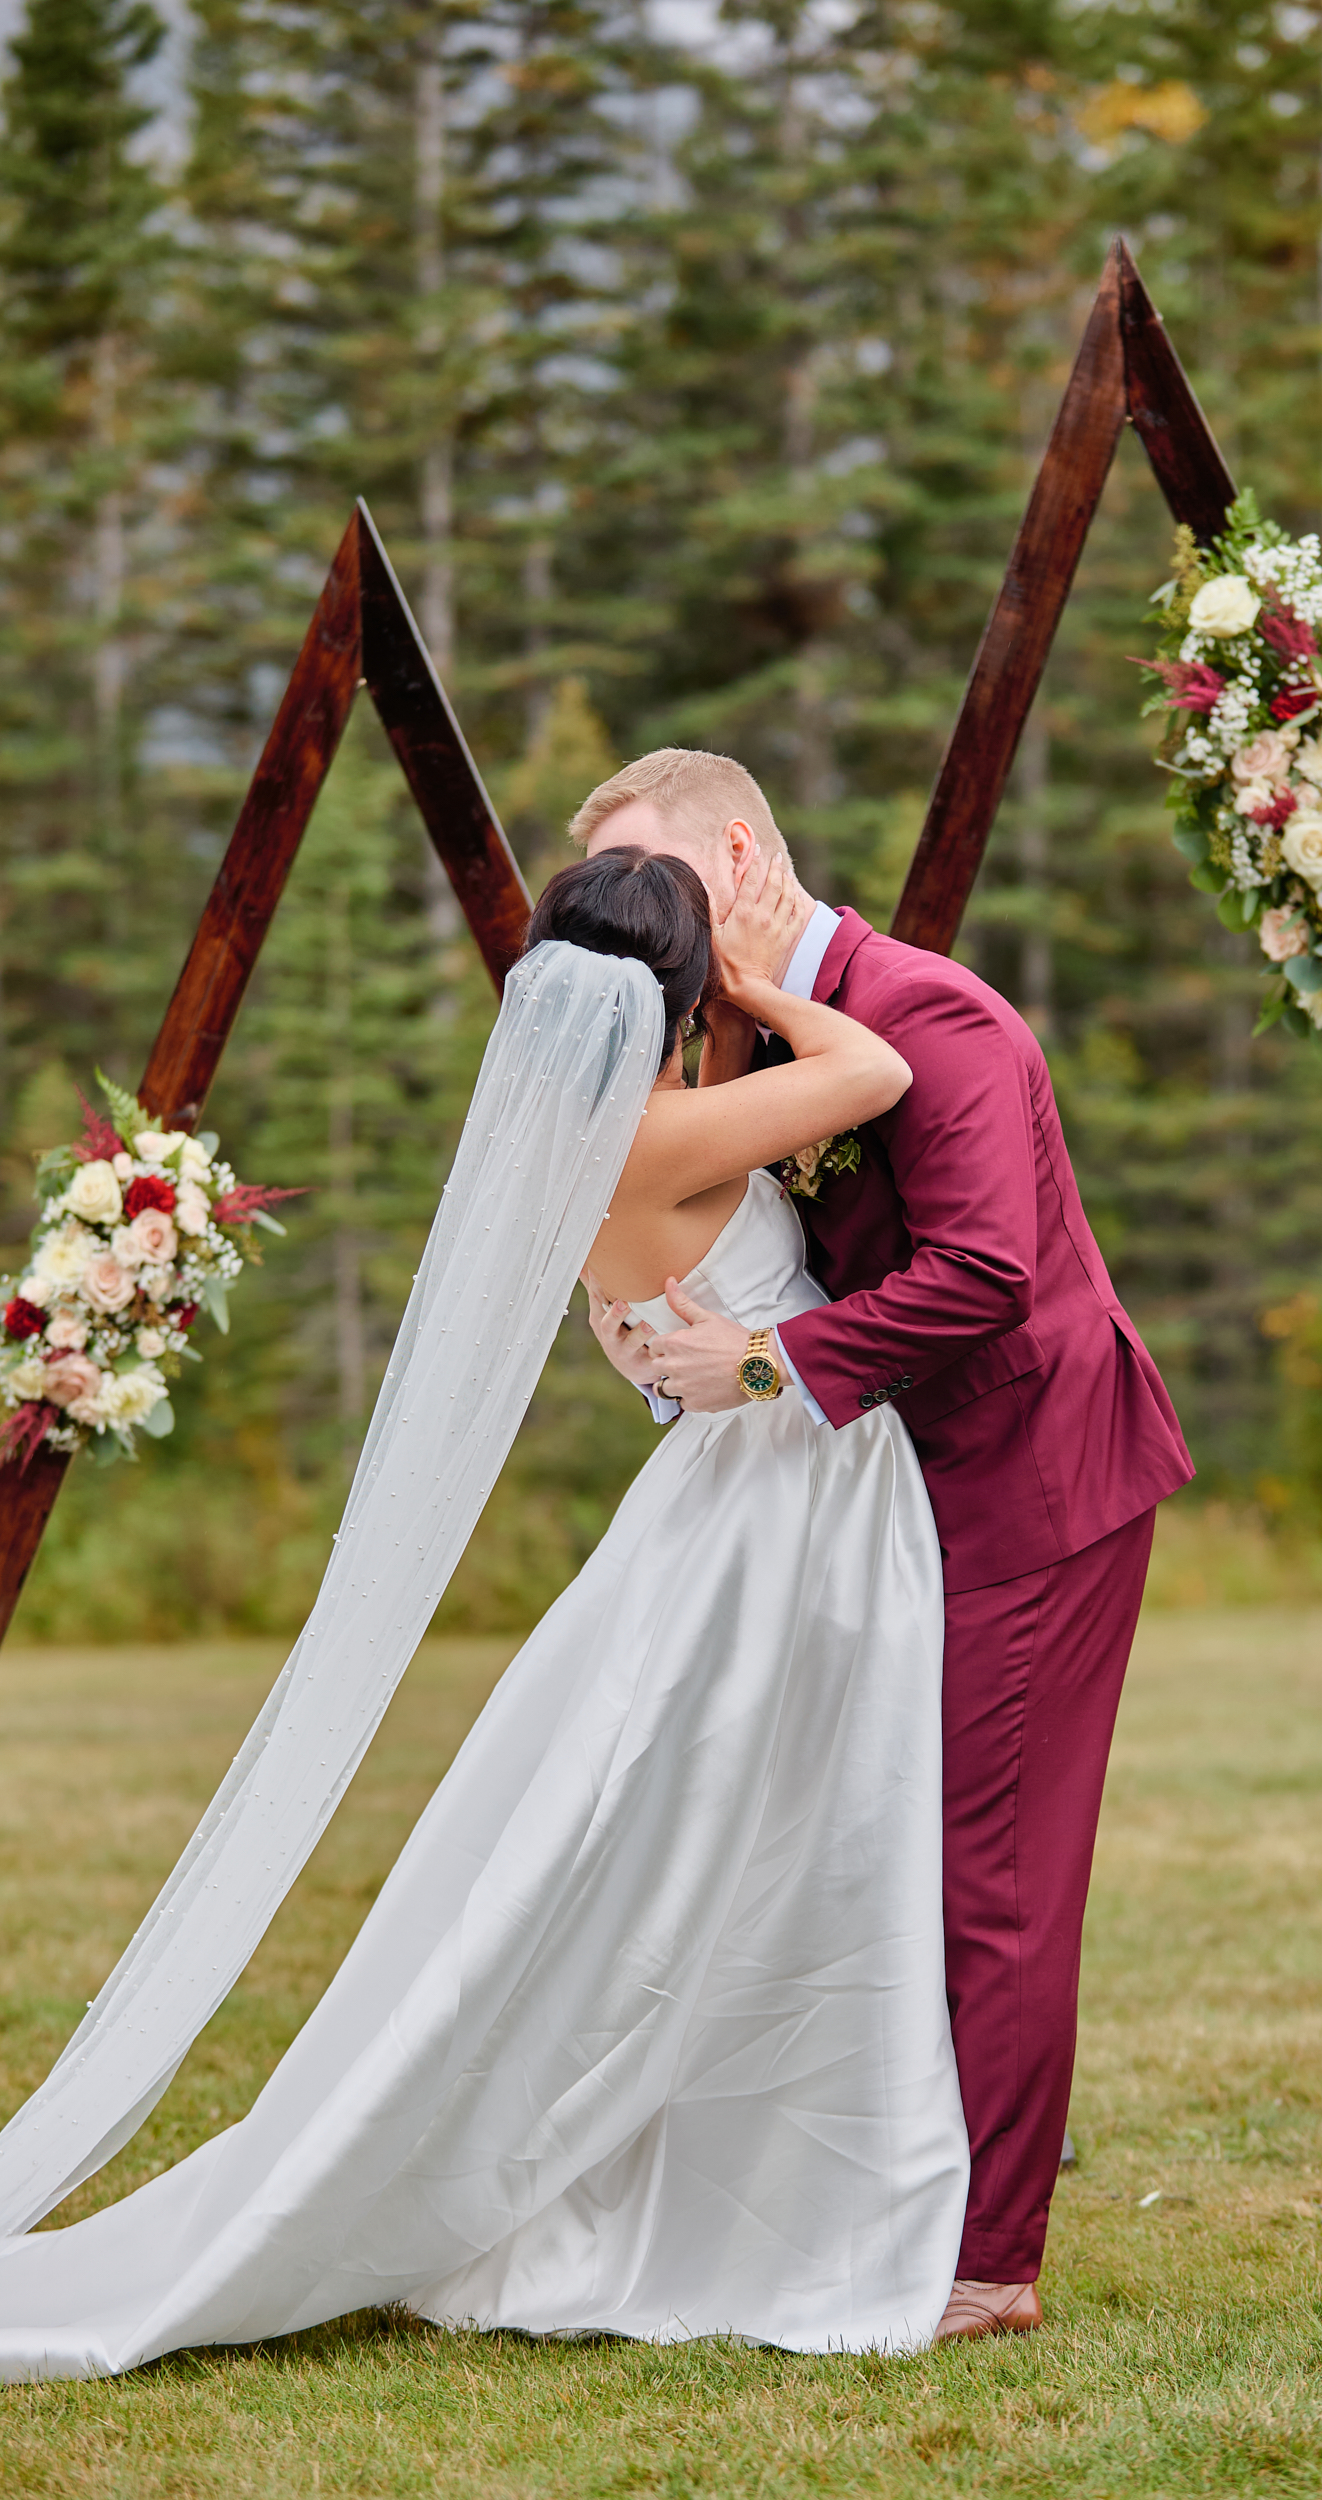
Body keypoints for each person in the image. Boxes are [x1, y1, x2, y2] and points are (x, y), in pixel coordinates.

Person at [0, 847, 969, 2378]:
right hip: (789, 1503)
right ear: (672, 992)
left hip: (736, 1494)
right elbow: (877, 1065)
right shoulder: (665, 1132)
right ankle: (781, 2194)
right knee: (802, 1839)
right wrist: (753, 988)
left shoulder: (574, 1141)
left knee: (722, 1842)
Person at [579, 749, 1193, 2341]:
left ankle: (992, 2263)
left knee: (988, 1870)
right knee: (884, 1843)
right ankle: (923, 2166)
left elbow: (988, 1268)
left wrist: (769, 1364)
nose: (648, 924)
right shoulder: (739, 1035)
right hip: (895, 1497)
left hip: (1034, 1483)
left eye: (663, 882)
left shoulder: (933, 1014)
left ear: (740, 849)